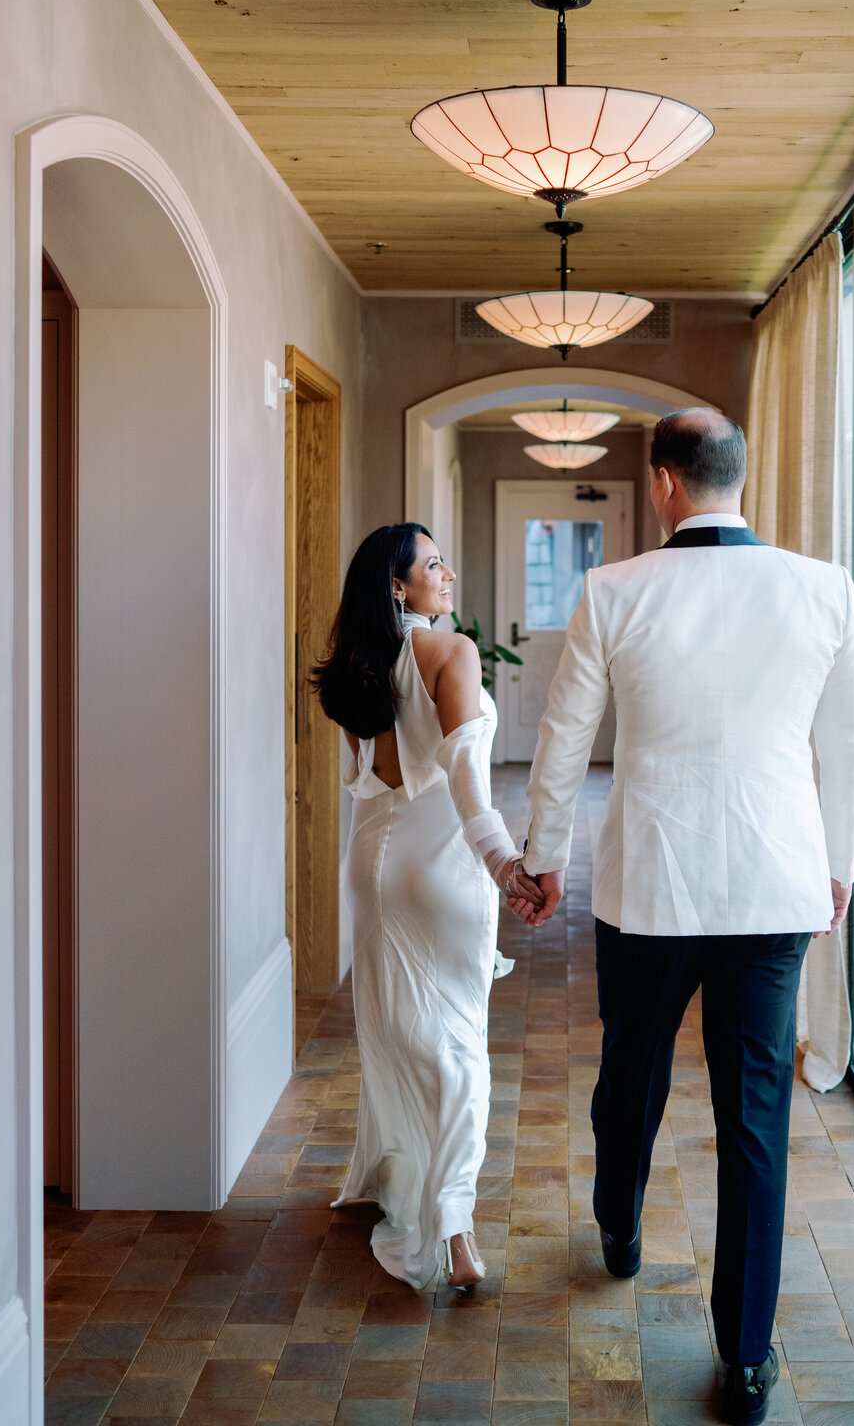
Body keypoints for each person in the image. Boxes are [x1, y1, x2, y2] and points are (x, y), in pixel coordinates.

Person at [509, 411, 854, 1424]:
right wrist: (837, 863)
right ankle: (746, 1361)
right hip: (773, 884)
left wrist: (542, 860)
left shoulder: (612, 590)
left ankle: (619, 1228)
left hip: (650, 886)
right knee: (756, 1114)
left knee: (633, 1071)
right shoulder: (821, 587)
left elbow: (562, 740)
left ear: (663, 481)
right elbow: (850, 747)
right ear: (736, 478)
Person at [312, 523, 541, 1292]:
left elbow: (371, 775)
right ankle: (452, 1224)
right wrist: (507, 861)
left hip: (372, 863)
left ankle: (385, 1179)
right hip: (441, 868)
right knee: (457, 1047)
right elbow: (469, 781)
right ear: (398, 588)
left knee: (392, 1031)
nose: (448, 572)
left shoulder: (353, 669)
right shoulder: (450, 654)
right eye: (432, 564)